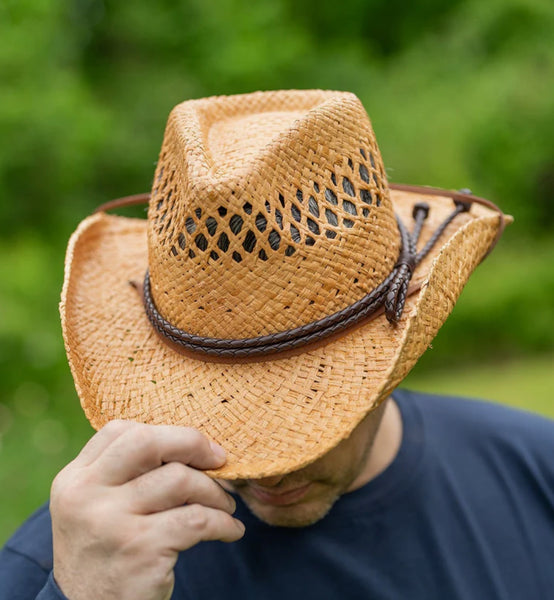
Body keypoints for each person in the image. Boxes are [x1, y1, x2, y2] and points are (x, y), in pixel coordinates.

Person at [1, 90, 553, 600]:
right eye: (219, 404)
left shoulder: (534, 473)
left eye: (307, 403)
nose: (266, 469)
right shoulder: (80, 558)